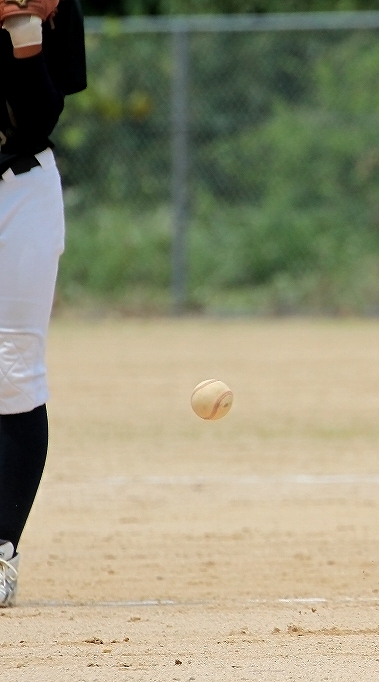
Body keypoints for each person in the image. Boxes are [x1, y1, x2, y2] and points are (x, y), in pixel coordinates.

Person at [0, 0, 87, 607]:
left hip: (20, 189)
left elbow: (39, 113)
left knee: (14, 368)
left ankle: (1, 547)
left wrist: (29, 33)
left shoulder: (49, 12)